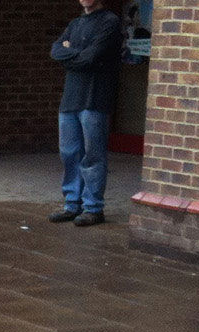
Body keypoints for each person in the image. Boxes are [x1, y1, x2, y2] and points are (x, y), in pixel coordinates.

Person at [49, 0, 121, 226]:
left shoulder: (110, 22)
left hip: (95, 99)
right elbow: (55, 50)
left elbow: (92, 56)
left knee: (93, 155)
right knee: (69, 153)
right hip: (70, 101)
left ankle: (93, 208)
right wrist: (72, 53)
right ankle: (72, 204)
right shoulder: (75, 23)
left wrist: (71, 52)